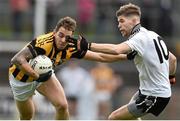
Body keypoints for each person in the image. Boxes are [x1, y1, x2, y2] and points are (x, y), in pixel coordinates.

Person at [9, 16, 134, 120]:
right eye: (60, 35)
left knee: (62, 106)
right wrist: (36, 76)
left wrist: (126, 56)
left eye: (67, 37)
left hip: (44, 74)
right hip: (21, 79)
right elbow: (17, 59)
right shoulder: (43, 43)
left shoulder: (70, 47)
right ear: (54, 32)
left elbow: (100, 56)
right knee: (27, 116)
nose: (63, 40)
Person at [67, 3, 177, 120]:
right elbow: (173, 59)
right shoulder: (152, 35)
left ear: (134, 20)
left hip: (154, 95)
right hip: (147, 92)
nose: (119, 25)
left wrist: (88, 45)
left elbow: (116, 50)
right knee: (130, 118)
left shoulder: (139, 39)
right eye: (118, 22)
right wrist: (171, 77)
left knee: (113, 117)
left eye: (122, 21)